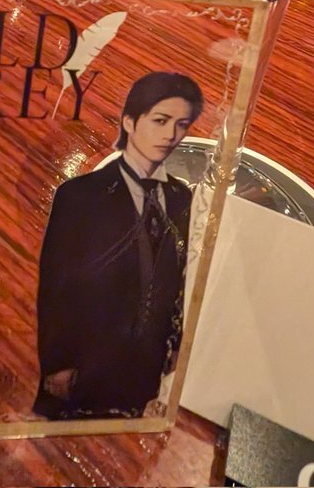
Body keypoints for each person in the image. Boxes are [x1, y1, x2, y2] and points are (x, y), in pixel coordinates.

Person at [34, 71, 203, 420]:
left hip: (151, 372)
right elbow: (56, 286)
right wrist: (57, 363)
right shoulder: (80, 195)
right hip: (88, 366)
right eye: (160, 121)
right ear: (129, 121)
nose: (171, 135)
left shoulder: (182, 198)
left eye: (182, 125)